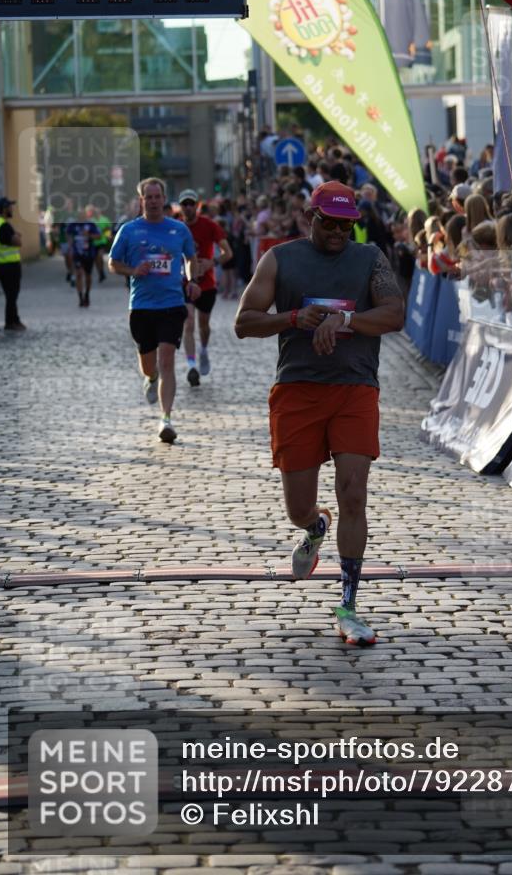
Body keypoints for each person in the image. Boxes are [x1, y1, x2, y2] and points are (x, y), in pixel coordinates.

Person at [235, 180, 404, 646]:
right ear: (310, 217)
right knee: (297, 507)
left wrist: (345, 320)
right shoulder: (280, 258)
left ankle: (348, 605)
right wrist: (293, 319)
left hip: (354, 388)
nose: (337, 232)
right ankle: (313, 526)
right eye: (328, 223)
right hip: (298, 390)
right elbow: (243, 322)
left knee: (354, 494)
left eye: (346, 224)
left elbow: (394, 313)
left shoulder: (369, 259)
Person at [108, 177, 199, 443]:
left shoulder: (179, 230)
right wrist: (133, 270)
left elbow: (190, 258)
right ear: (142, 200)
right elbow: (113, 263)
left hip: (172, 303)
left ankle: (166, 419)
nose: (154, 201)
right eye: (149, 197)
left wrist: (192, 281)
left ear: (164, 199)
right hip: (141, 306)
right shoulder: (129, 231)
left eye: (158, 196)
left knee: (167, 359)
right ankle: (151, 377)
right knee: (150, 366)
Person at [178, 189, 232, 386]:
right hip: (185, 283)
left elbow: (228, 252)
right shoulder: (177, 227)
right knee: (188, 323)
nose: (188, 207)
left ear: (197, 205)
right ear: (181, 206)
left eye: (191, 203)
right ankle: (191, 366)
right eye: (185, 204)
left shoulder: (209, 225)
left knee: (203, 325)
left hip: (207, 284)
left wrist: (213, 262)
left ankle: (204, 351)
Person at [0, 196, 26, 331]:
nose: (12, 209)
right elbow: (18, 242)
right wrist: (16, 236)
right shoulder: (3, 225)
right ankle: (11, 322)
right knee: (12, 295)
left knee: (5, 295)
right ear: (4, 209)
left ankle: (13, 320)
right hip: (9, 265)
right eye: (10, 207)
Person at [66, 208, 100, 307]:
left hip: (89, 254)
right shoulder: (73, 225)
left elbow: (98, 236)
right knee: (79, 274)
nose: (81, 216)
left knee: (88, 276)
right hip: (77, 254)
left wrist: (89, 235)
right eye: (79, 214)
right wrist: (70, 246)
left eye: (83, 214)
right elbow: (68, 235)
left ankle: (87, 295)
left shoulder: (91, 225)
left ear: (86, 215)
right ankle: (80, 297)